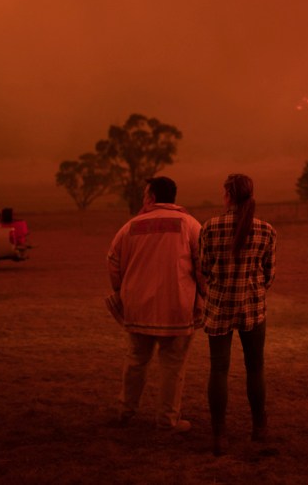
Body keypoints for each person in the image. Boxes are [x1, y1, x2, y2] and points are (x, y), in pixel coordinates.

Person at [106, 176, 203, 431]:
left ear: (150, 197)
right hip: (177, 308)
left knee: (136, 361)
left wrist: (122, 289)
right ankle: (167, 419)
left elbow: (113, 262)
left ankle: (126, 412)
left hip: (138, 307)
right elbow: (204, 264)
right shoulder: (189, 225)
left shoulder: (131, 226)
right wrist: (202, 294)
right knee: (173, 366)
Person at [199, 173, 277, 456]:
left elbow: (205, 269)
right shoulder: (266, 230)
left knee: (218, 370)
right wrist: (253, 289)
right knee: (255, 369)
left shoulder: (210, 227)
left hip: (219, 307)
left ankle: (219, 435)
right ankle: (259, 428)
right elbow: (269, 275)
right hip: (253, 309)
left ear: (228, 195)